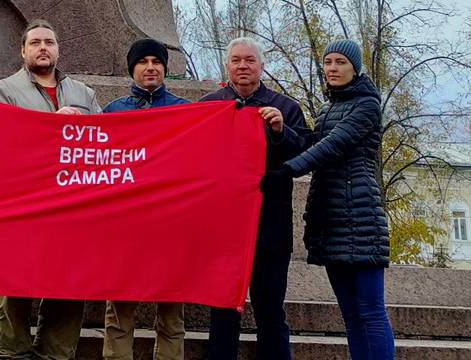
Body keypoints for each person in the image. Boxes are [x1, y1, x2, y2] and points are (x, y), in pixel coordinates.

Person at [274, 40, 395, 360]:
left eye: (340, 62)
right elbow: (311, 142)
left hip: (361, 216)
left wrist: (288, 171)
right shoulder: (328, 108)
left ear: (355, 68)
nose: (332, 69)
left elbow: (333, 146)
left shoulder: (367, 105)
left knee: (370, 312)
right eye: (328, 63)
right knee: (352, 316)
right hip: (331, 218)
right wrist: (279, 130)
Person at [0, 18, 99, 360]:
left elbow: (102, 146)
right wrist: (52, 127)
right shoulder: (3, 91)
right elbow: (1, 146)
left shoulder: (85, 94)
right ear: (23, 51)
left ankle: (55, 353)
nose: (42, 48)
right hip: (26, 206)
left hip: (72, 208)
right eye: (35, 43)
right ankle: (9, 353)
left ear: (58, 49)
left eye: (48, 42)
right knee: (16, 285)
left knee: (69, 287)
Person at [201, 37, 311, 360]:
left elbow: (304, 155)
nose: (243, 66)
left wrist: (281, 132)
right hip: (223, 230)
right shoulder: (209, 105)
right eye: (236, 60)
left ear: (262, 66)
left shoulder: (286, 107)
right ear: (227, 66)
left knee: (270, 313)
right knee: (222, 315)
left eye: (250, 61)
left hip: (270, 229)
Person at [101, 38, 188, 360]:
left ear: (165, 68)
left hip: (169, 227)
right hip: (125, 229)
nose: (150, 67)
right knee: (119, 314)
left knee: (170, 315)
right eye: (143, 62)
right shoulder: (113, 111)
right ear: (132, 69)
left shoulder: (184, 111)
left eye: (156, 61)